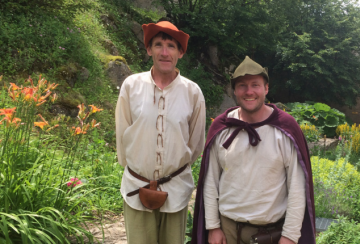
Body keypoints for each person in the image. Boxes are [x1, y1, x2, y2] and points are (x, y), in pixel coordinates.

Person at [192, 56, 315, 244]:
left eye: (255, 85)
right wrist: (213, 226)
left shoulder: (285, 128)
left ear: (266, 88)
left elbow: (297, 187)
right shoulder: (222, 127)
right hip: (226, 233)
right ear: (234, 91)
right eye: (242, 85)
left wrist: (289, 236)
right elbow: (210, 181)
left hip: (270, 235)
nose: (249, 91)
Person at [115, 21, 205, 244]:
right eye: (158, 45)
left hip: (176, 188)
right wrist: (139, 170)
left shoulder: (192, 92)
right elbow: (122, 133)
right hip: (137, 186)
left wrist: (172, 169)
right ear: (149, 50)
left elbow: (195, 145)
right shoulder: (131, 86)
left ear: (180, 53)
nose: (165, 52)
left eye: (171, 46)